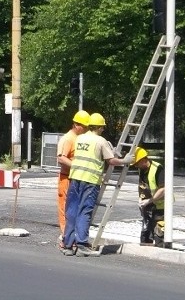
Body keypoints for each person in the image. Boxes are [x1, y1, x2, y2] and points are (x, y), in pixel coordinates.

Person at [61, 112, 131, 257]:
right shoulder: (101, 141)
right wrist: (125, 160)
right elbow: (111, 161)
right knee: (84, 212)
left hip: (75, 178)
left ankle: (67, 245)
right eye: (102, 128)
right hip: (90, 180)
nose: (103, 130)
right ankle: (81, 245)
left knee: (72, 212)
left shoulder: (79, 138)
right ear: (99, 127)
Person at [55, 109, 90, 248]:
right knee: (66, 209)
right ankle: (66, 239)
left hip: (75, 178)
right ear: (76, 125)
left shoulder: (79, 138)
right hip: (66, 178)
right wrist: (77, 167)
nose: (86, 128)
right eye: (84, 126)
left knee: (75, 209)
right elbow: (61, 158)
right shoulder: (68, 138)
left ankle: (73, 238)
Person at [133, 146, 165, 247]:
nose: (136, 166)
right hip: (148, 206)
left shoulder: (158, 169)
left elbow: (163, 189)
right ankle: (146, 250)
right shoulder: (141, 169)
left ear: (143, 160)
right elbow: (143, 186)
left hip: (160, 206)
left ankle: (160, 249)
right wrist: (141, 200)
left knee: (159, 233)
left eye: (136, 163)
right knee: (146, 234)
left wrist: (149, 200)